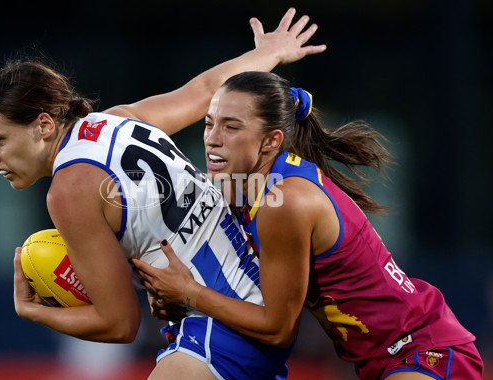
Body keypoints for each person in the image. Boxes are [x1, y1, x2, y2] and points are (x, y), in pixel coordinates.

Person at [0, 8, 327, 380]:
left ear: (43, 125)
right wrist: (267, 55)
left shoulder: (69, 191)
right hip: (252, 293)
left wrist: (34, 312)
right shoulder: (118, 119)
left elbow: (119, 324)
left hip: (220, 323)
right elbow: (207, 91)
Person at [131, 71, 485, 379]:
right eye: (209, 123)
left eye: (231, 126)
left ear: (272, 141)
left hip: (423, 353)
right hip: (388, 359)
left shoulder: (285, 202)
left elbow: (277, 328)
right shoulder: (248, 185)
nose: (212, 138)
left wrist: (190, 293)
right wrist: (172, 296)